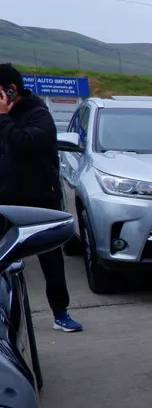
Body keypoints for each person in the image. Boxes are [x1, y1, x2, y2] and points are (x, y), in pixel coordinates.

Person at [0, 63, 82, 332]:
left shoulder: (39, 114)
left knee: (51, 260)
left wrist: (3, 118)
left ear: (10, 91)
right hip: (6, 199)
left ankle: (61, 313)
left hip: (40, 200)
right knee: (5, 263)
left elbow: (27, 144)